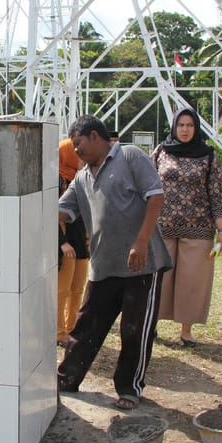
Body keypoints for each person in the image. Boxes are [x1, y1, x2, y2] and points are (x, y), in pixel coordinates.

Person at [56, 115, 171, 410]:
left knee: (134, 330)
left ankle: (129, 388)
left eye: (79, 144)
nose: (76, 151)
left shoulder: (131, 156)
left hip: (141, 265)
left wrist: (141, 240)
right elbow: (61, 211)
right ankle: (67, 378)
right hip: (104, 266)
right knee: (85, 328)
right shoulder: (82, 177)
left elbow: (155, 196)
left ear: (95, 136)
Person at [151, 108, 222, 346]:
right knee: (158, 278)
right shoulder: (160, 152)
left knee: (192, 281)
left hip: (199, 228)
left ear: (196, 128)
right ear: (174, 127)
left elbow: (217, 195)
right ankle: (151, 324)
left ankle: (186, 331)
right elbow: (146, 186)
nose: (185, 130)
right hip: (162, 226)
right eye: (181, 125)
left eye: (190, 125)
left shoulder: (208, 155)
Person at [56, 137, 89, 346]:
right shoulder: (56, 180)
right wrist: (62, 242)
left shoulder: (82, 178)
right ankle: (58, 333)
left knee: (78, 289)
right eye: (76, 154)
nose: (81, 158)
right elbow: (50, 215)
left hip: (81, 241)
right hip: (65, 244)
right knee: (62, 290)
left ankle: (72, 328)